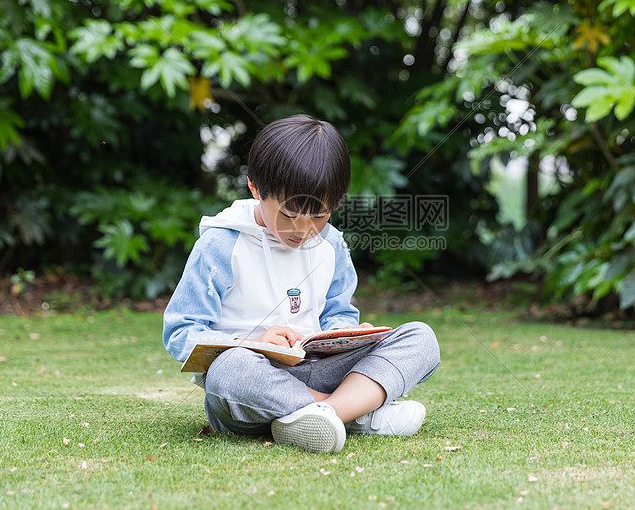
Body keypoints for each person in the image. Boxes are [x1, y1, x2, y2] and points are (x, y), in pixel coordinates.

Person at [162, 114, 440, 453]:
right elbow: (181, 332)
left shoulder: (331, 244)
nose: (304, 230)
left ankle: (323, 415)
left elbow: (338, 313)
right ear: (255, 187)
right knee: (229, 370)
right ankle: (351, 412)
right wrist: (252, 343)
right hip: (250, 389)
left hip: (317, 369)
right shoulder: (221, 244)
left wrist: (350, 337)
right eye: (290, 215)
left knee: (420, 338)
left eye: (320, 216)